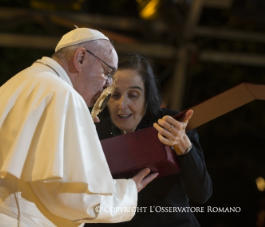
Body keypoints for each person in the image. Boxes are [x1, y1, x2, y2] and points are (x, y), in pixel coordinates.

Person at [0, 29, 158, 227]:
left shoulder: (19, 83)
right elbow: (71, 197)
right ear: (81, 58)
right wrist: (127, 192)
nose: (107, 86)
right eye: (107, 72)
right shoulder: (63, 95)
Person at [87, 53, 213, 227]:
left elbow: (202, 194)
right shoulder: (93, 130)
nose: (122, 104)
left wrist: (184, 146)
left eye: (133, 95)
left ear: (148, 96)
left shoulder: (172, 124)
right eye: (115, 95)